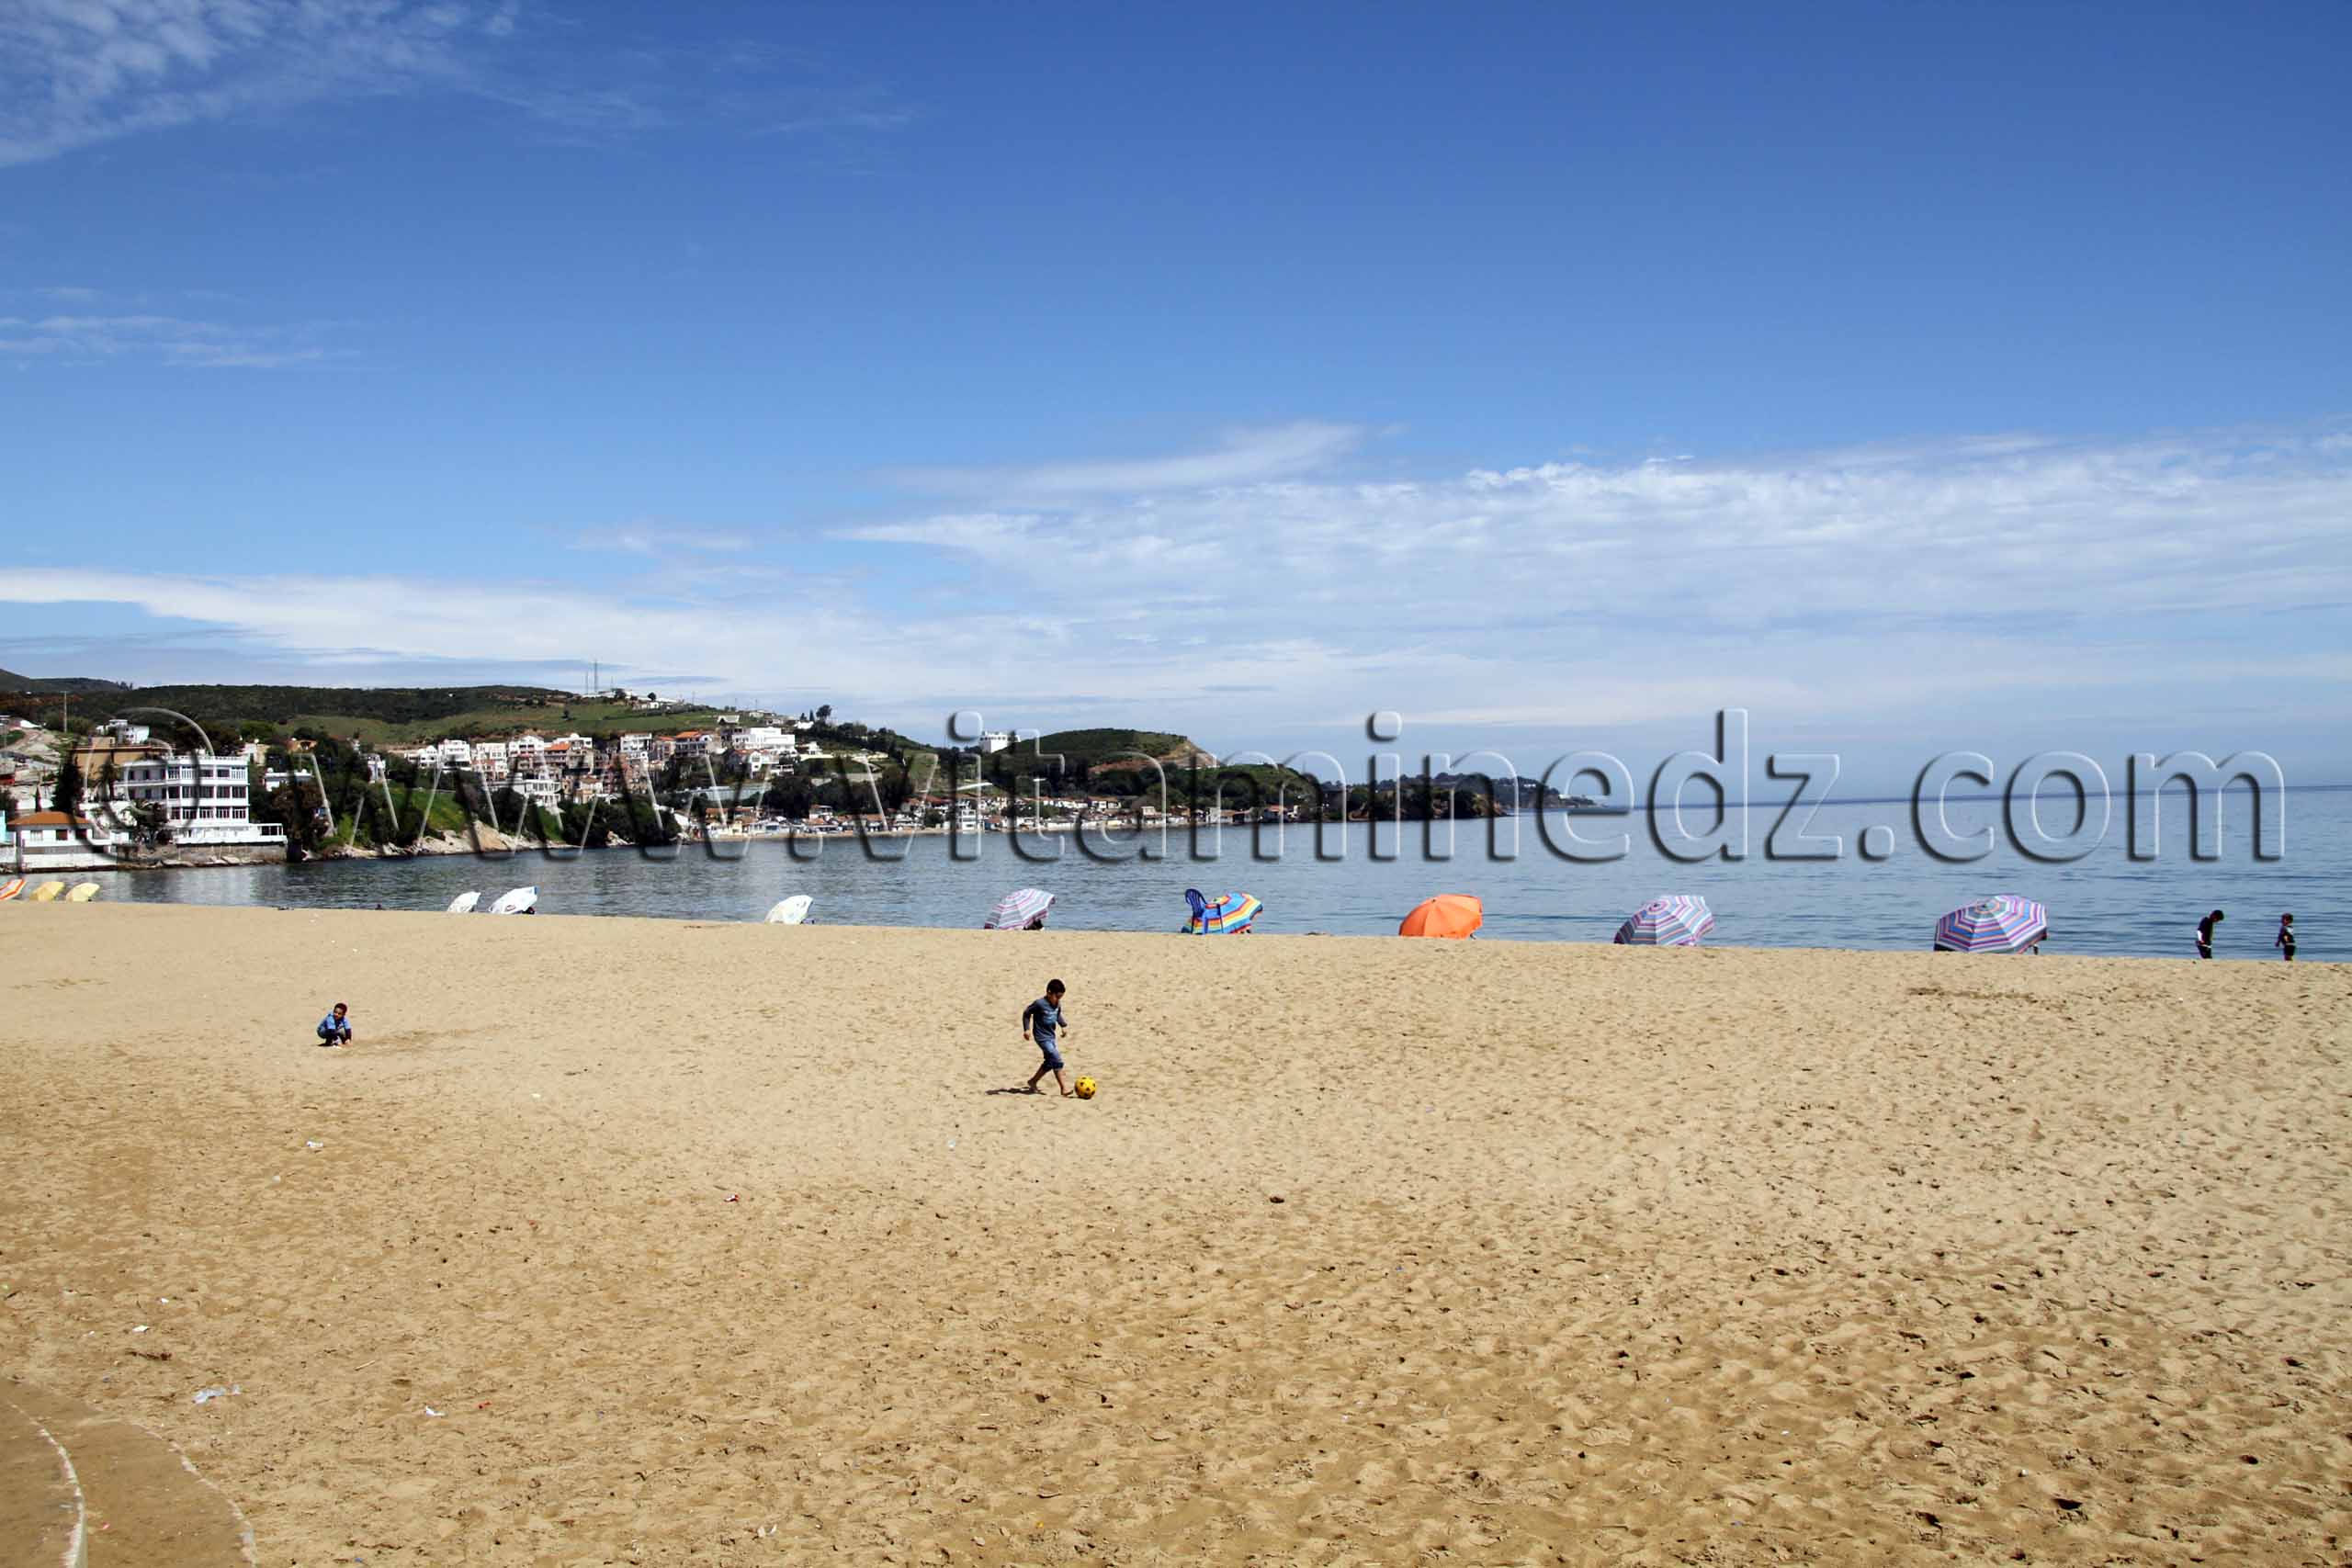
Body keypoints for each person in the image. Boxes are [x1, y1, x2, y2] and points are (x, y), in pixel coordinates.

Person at [1021, 979, 1073, 1096]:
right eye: (1057, 997)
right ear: (1049, 992)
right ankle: (1064, 1088)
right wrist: (1027, 1029)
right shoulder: (1039, 1004)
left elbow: (1057, 1014)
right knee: (1056, 1058)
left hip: (1051, 1036)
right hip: (1041, 1037)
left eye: (1060, 997)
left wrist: (1063, 1025)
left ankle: (1033, 1081)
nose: (1058, 1000)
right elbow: (1026, 1014)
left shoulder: (1057, 1003)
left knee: (1050, 1062)